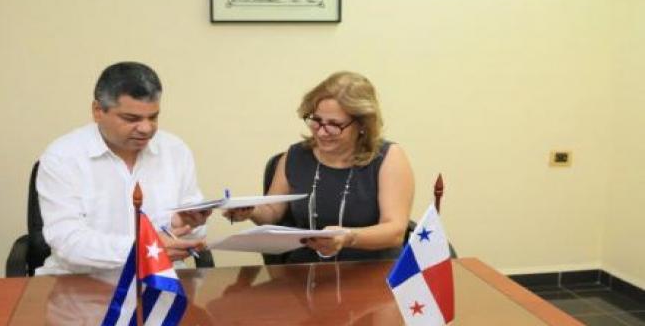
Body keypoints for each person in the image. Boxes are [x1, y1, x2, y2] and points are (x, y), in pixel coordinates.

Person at [35, 61, 210, 276]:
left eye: (153, 117)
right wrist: (143, 249)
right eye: (131, 118)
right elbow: (68, 241)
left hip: (159, 279)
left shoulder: (175, 151)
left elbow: (194, 235)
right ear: (98, 111)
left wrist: (188, 225)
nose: (146, 128)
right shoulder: (63, 157)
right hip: (82, 282)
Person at [225, 71, 414, 263]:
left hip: (369, 271)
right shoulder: (295, 156)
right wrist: (250, 211)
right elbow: (272, 213)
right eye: (316, 121)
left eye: (334, 125)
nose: (322, 132)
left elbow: (395, 231)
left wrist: (349, 237)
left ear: (362, 125)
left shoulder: (388, 157)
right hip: (304, 272)